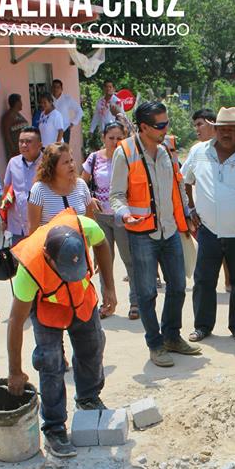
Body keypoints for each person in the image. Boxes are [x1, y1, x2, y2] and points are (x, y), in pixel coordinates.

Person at [7, 209, 116, 457]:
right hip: (48, 309)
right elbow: (15, 322)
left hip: (81, 298)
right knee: (50, 361)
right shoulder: (30, 268)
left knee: (93, 345)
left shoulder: (85, 226)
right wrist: (15, 371)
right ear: (48, 258)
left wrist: (109, 287)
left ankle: (88, 397)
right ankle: (54, 427)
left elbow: (102, 244)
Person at [109, 99, 200, 368]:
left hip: (170, 230)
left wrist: (187, 214)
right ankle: (155, 343)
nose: (165, 128)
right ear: (144, 127)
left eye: (166, 123)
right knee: (147, 292)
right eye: (160, 125)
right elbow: (115, 195)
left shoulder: (168, 149)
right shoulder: (124, 152)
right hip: (141, 234)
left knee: (179, 286)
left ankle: (172, 336)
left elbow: (178, 185)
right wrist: (124, 213)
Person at [181, 106, 235, 344]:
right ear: (215, 129)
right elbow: (184, 180)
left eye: (232, 129)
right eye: (222, 129)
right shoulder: (199, 151)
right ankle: (202, 326)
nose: (226, 134)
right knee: (203, 280)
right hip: (208, 230)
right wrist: (190, 208)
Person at [82, 122, 139, 320]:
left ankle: (135, 303)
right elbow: (82, 183)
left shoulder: (130, 157)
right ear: (104, 138)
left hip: (123, 216)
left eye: (119, 138)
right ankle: (107, 303)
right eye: (111, 138)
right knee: (104, 262)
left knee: (130, 260)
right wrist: (91, 198)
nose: (115, 142)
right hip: (101, 218)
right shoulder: (93, 158)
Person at [28, 143, 96, 232]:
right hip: (50, 244)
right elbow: (33, 229)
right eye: (65, 162)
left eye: (71, 160)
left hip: (80, 244)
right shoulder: (39, 190)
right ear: (52, 167)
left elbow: (90, 221)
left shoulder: (81, 185)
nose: (71, 165)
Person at [1, 126, 43, 245]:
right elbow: (6, 191)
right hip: (17, 225)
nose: (24, 145)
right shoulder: (13, 163)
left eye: (28, 142)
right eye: (21, 141)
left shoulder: (47, 163)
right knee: (18, 262)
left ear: (39, 145)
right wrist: (4, 219)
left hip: (40, 225)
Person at [51, 79, 83, 146]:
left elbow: (79, 111)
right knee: (53, 151)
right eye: (54, 87)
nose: (56, 89)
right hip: (52, 130)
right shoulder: (49, 99)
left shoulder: (67, 99)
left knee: (64, 151)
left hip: (64, 129)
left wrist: (72, 123)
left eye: (58, 87)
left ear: (61, 89)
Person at [1, 94, 28, 160]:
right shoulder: (9, 116)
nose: (22, 104)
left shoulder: (17, 114)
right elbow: (6, 133)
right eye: (20, 101)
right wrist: (13, 148)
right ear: (17, 103)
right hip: (15, 150)